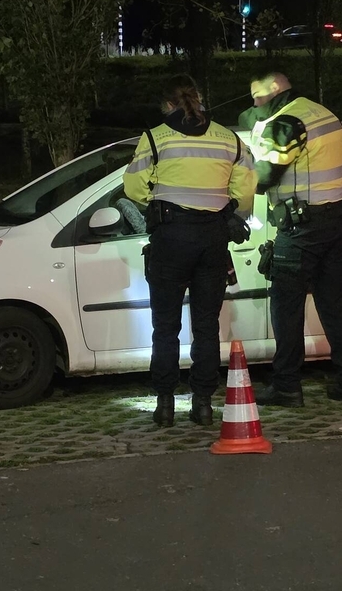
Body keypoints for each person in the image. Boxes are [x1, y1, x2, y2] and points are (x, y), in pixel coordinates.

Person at [123, 74, 257, 427]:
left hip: (171, 236)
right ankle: (203, 405)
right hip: (213, 238)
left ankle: (165, 405)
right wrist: (229, 207)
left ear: (167, 105)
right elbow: (245, 189)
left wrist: (159, 196)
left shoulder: (155, 137)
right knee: (206, 326)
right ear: (199, 99)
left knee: (165, 327)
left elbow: (134, 187)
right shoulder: (228, 138)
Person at [238, 71, 342, 407]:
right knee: (335, 305)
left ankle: (286, 387)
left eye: (258, 96)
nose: (255, 103)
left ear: (276, 91)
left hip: (301, 228)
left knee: (286, 306)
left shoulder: (286, 123)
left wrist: (241, 172)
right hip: (335, 221)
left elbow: (264, 177)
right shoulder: (323, 114)